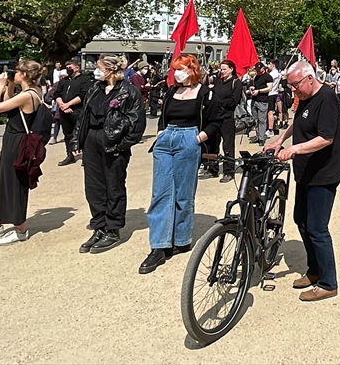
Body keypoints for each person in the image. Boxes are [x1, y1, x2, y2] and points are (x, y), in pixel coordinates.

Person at [265, 61, 340, 302]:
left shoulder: (327, 98)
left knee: (317, 228)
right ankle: (314, 269)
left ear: (310, 78)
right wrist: (280, 141)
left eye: (295, 84)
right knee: (301, 220)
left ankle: (328, 283)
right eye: (290, 85)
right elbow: (297, 121)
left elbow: (326, 138)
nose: (292, 89)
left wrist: (295, 149)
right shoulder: (305, 97)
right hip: (305, 171)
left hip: (323, 173)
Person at [138, 55, 219, 273]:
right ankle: (159, 245)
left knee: (183, 193)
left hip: (189, 138)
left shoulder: (205, 93)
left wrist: (198, 138)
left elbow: (216, 121)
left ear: (192, 70)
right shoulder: (172, 91)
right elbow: (163, 117)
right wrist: (160, 133)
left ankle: (182, 239)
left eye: (181, 69)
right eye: (175, 69)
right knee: (160, 193)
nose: (177, 73)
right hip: (167, 139)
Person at [66, 55, 146, 254]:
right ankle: (99, 226)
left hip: (114, 143)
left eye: (99, 68)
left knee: (114, 186)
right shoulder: (95, 89)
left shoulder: (129, 92)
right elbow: (83, 117)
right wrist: (76, 140)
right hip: (92, 140)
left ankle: (113, 229)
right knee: (94, 187)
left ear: (110, 70)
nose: (96, 71)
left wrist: (122, 145)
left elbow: (137, 123)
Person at [0, 60, 48, 247]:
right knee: (3, 181)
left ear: (25, 75)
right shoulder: (33, 91)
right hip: (13, 139)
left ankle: (20, 229)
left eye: (18, 72)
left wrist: (0, 86)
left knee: (14, 183)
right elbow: (9, 102)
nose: (14, 74)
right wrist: (10, 85)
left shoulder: (28, 95)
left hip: (18, 141)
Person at [206, 59, 244, 183]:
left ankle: (229, 171)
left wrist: (220, 103)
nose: (222, 71)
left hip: (227, 118)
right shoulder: (218, 81)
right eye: (221, 69)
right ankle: (213, 169)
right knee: (213, 144)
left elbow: (234, 100)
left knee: (228, 145)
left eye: (224, 69)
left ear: (231, 69)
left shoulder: (236, 83)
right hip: (215, 117)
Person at [53, 60, 91, 167]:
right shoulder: (64, 81)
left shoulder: (85, 80)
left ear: (77, 68)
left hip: (78, 111)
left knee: (82, 134)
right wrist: (62, 105)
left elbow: (83, 95)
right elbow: (57, 94)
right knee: (67, 134)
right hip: (64, 111)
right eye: (67, 67)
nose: (68, 69)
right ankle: (70, 155)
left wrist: (68, 104)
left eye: (70, 67)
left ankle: (86, 157)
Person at [249, 63, 273, 145]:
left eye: (259, 69)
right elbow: (254, 86)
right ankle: (258, 136)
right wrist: (252, 88)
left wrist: (259, 91)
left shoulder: (268, 77)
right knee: (255, 120)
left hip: (263, 101)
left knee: (262, 120)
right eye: (257, 69)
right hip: (254, 100)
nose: (258, 71)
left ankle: (261, 138)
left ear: (263, 68)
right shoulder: (256, 77)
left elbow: (269, 88)